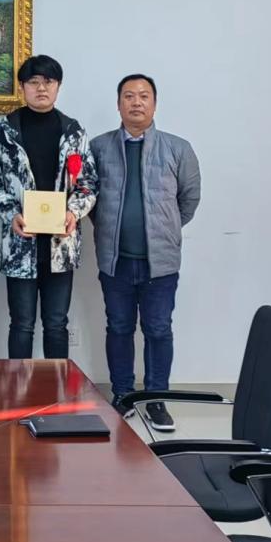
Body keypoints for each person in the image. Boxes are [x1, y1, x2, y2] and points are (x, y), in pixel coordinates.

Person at [91, 74, 201, 433]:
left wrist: (163, 228)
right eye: (128, 96)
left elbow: (189, 199)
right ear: (118, 104)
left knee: (158, 329)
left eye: (143, 96)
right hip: (116, 261)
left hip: (161, 263)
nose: (136, 102)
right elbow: (89, 199)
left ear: (154, 103)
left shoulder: (178, 149)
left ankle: (156, 400)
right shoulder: (99, 147)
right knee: (119, 327)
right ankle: (123, 394)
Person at [0, 55, 98, 359]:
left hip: (61, 243)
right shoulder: (3, 132)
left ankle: (56, 387)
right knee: (21, 324)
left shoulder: (74, 132)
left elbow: (88, 183)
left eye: (48, 81)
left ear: (58, 86)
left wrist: (74, 212)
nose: (41, 88)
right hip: (19, 241)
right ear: (22, 87)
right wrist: (12, 215)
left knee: (57, 324)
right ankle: (19, 388)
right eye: (33, 82)